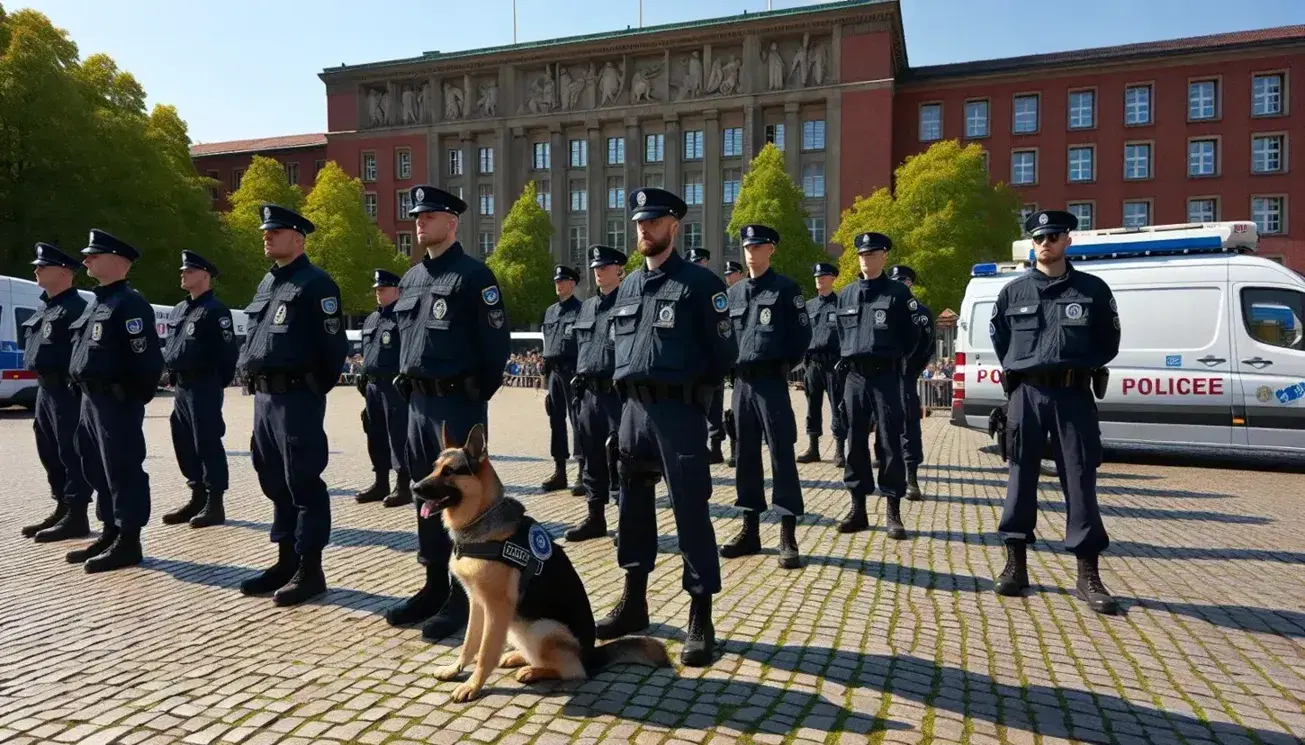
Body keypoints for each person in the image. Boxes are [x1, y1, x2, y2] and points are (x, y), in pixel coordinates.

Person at [596, 187, 735, 667]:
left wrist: (696, 402)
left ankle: (701, 615)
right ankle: (634, 602)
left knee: (690, 510)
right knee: (632, 510)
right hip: (633, 411)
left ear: (674, 226)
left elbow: (723, 354)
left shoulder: (701, 285)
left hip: (679, 412)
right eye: (638, 222)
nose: (643, 229)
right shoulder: (629, 287)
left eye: (652, 222)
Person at [383, 185, 510, 640]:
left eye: (430, 216)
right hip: (417, 403)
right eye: (417, 215)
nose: (420, 222)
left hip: (455, 404)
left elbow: (496, 345)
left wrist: (474, 395)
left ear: (452, 223)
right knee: (425, 497)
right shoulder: (413, 277)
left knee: (464, 504)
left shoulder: (475, 276)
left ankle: (462, 599)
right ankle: (433, 586)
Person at [989, 209, 1121, 615]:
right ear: (1032, 243)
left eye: (1054, 236)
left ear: (1068, 240)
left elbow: (1109, 340)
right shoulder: (1013, 293)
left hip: (1073, 396)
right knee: (1019, 478)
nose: (1046, 243)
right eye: (1039, 237)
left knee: (1081, 480)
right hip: (1026, 395)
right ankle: (1016, 565)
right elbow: (1002, 339)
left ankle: (1088, 574)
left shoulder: (1092, 290)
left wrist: (1072, 364)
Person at [237, 204, 348, 606]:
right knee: (273, 479)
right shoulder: (267, 283)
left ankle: (310, 568)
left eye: (275, 231)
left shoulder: (316, 284)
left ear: (298, 239)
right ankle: (286, 560)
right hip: (265, 398)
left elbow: (333, 346)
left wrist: (312, 387)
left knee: (302, 480)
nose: (266, 236)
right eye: (265, 231)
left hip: (297, 396)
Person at [65, 229, 165, 572]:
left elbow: (148, 361)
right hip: (90, 401)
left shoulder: (129, 303)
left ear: (118, 261)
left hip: (115, 402)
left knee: (122, 469)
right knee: (96, 466)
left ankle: (129, 540)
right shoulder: (98, 303)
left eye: (94, 255)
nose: (86, 260)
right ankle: (110, 530)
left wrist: (130, 399)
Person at [720, 224, 811, 569]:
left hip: (772, 382)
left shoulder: (786, 289)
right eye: (746, 246)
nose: (750, 252)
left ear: (770, 249)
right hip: (741, 384)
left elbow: (803, 336)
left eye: (757, 247)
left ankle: (787, 534)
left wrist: (781, 366)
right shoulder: (735, 293)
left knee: (781, 455)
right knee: (744, 456)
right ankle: (750, 530)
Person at [834, 232, 928, 539]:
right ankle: (857, 508)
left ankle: (892, 510)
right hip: (855, 377)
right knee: (855, 443)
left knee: (890, 443)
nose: (865, 258)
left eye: (872, 253)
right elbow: (840, 334)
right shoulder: (846, 294)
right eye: (862, 253)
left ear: (884, 256)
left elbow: (913, 337)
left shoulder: (898, 294)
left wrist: (895, 360)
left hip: (886, 376)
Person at [160, 250, 239, 528]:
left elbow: (228, 353)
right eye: (183, 270)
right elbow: (174, 346)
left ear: (205, 276)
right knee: (183, 440)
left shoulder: (215, 311)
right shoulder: (180, 310)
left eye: (189, 271)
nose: (183, 274)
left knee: (207, 440)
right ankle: (196, 496)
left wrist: (216, 382)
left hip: (204, 384)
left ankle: (215, 503)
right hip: (181, 386)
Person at [20, 243, 93, 543]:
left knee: (70, 451)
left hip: (67, 390)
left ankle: (77, 515)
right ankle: (62, 506)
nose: (36, 270)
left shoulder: (76, 309)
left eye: (42, 266)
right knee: (49, 450)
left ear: (64, 271)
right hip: (44, 390)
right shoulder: (45, 307)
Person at [563, 244, 628, 542]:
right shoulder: (587, 307)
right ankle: (595, 517)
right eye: (596, 268)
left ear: (620, 270)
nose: (599, 272)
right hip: (588, 394)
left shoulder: (629, 304)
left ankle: (625, 518)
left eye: (605, 267)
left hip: (616, 395)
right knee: (590, 457)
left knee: (621, 458)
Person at [876, 264, 934, 501]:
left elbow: (926, 347)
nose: (902, 285)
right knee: (882, 423)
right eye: (897, 281)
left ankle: (911, 476)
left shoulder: (920, 312)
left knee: (909, 426)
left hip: (906, 375)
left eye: (905, 281)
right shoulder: (882, 308)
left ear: (911, 284)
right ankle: (885, 471)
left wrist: (911, 370)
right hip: (884, 375)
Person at [355, 269, 411, 508]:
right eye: (377, 289)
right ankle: (380, 482)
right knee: (375, 433)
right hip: (373, 386)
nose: (378, 293)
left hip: (393, 386)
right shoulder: (371, 319)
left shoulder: (404, 317)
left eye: (383, 289)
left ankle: (403, 484)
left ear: (397, 291)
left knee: (398, 435)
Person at [797, 262, 846, 468]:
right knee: (812, 407)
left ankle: (840, 450)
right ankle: (813, 447)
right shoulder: (809, 306)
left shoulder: (841, 304)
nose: (819, 279)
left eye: (824, 276)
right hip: (812, 363)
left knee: (838, 407)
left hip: (833, 363)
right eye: (817, 276)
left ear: (833, 278)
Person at [540, 264, 584, 494]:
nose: (558, 285)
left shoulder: (581, 310)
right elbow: (547, 344)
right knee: (555, 422)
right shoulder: (550, 312)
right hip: (555, 373)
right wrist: (545, 380)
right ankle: (560, 471)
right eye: (556, 281)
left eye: (563, 281)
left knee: (577, 422)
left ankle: (582, 472)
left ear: (572, 284)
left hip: (573, 372)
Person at [687, 247, 727, 464]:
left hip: (710, 358)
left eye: (700, 261)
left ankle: (716, 446)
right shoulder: (685, 287)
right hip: (690, 363)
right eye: (695, 261)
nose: (698, 264)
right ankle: (698, 446)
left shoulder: (713, 285)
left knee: (714, 405)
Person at [721, 260, 744, 467]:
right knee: (733, 413)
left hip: (755, 365)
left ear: (741, 274)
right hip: (734, 366)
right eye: (727, 274)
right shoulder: (725, 299)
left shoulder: (747, 294)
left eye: (732, 274)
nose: (729, 277)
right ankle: (736, 451)